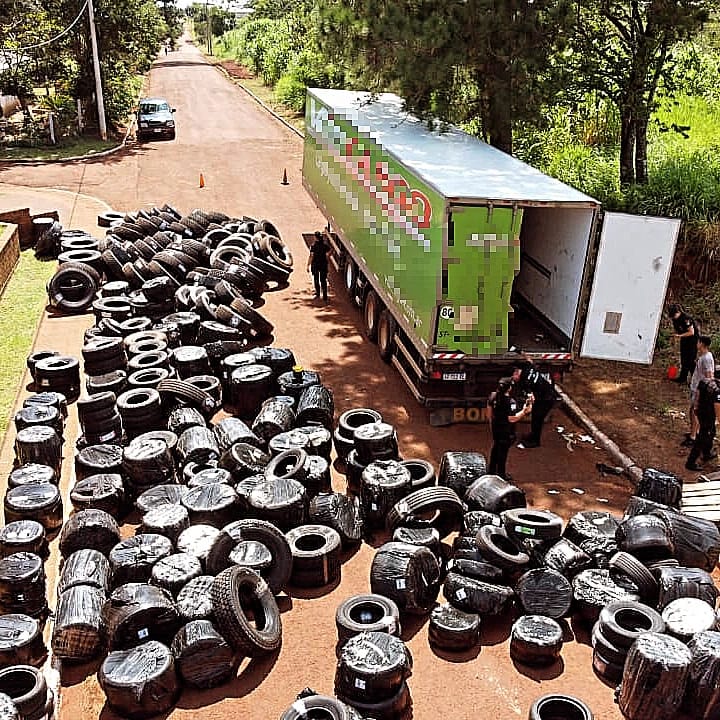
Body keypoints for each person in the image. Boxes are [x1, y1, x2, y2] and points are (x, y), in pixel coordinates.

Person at [488, 377, 533, 480]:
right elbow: (512, 419)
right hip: (506, 430)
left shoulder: (493, 396)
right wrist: (524, 411)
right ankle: (501, 474)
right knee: (503, 452)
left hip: (496, 428)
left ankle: (491, 470)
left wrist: (492, 425)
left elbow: (489, 413)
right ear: (509, 388)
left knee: (495, 448)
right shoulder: (510, 402)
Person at [512, 360, 557, 448]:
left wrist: (527, 408)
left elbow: (531, 397)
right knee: (535, 419)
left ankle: (535, 441)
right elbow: (529, 359)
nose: (514, 379)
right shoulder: (528, 367)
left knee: (537, 420)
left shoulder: (524, 383)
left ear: (516, 373)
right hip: (548, 394)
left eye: (513, 377)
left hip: (545, 400)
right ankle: (532, 435)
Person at [683, 335, 715, 448]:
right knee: (692, 411)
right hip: (695, 389)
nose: (696, 344)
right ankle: (693, 432)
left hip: (700, 391)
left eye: (698, 342)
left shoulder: (706, 358)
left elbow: (709, 376)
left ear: (701, 344)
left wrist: (701, 392)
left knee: (695, 412)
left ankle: (693, 437)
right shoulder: (704, 356)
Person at [686, 376, 720, 471]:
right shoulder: (717, 391)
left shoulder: (705, 381)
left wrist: (696, 406)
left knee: (712, 432)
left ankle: (707, 453)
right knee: (703, 437)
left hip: (701, 411)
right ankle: (691, 462)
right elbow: (717, 408)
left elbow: (698, 393)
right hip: (708, 415)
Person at [669, 304, 697, 384]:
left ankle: (695, 380)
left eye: (674, 315)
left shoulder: (686, 319)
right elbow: (677, 330)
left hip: (692, 341)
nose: (673, 317)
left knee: (691, 361)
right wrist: (675, 337)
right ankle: (682, 378)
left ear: (678, 312)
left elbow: (691, 332)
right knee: (684, 359)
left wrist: (679, 336)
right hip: (684, 340)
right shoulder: (675, 319)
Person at [307, 231, 329, 301]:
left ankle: (318, 293)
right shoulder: (325, 245)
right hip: (323, 264)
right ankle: (325, 296)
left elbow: (311, 256)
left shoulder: (313, 246)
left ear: (315, 237)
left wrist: (308, 265)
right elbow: (330, 251)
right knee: (323, 280)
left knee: (316, 279)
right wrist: (326, 256)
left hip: (315, 265)